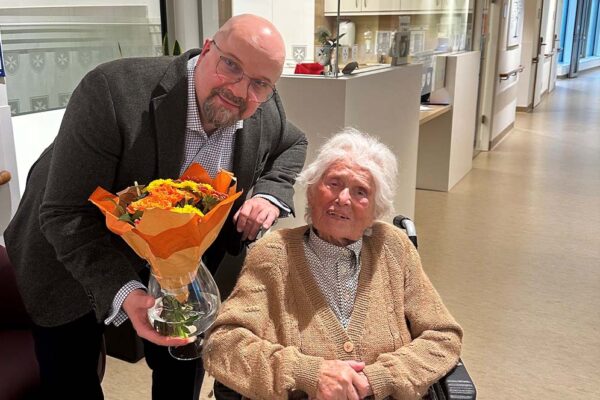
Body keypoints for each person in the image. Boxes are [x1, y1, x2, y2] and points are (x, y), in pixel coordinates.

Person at [3, 14, 307, 400]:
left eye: (259, 83)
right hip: (67, 254)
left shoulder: (264, 104)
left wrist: (268, 192)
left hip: (176, 265)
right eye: (231, 65)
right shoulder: (111, 91)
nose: (239, 89)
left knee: (181, 369)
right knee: (72, 374)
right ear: (209, 48)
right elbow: (64, 215)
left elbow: (293, 144)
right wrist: (127, 293)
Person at [203, 128, 463, 400]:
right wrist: (309, 374)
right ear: (313, 192)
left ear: (377, 209)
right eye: (334, 183)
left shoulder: (393, 247)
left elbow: (443, 335)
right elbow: (223, 345)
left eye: (360, 191)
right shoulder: (275, 254)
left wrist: (378, 379)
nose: (342, 199)